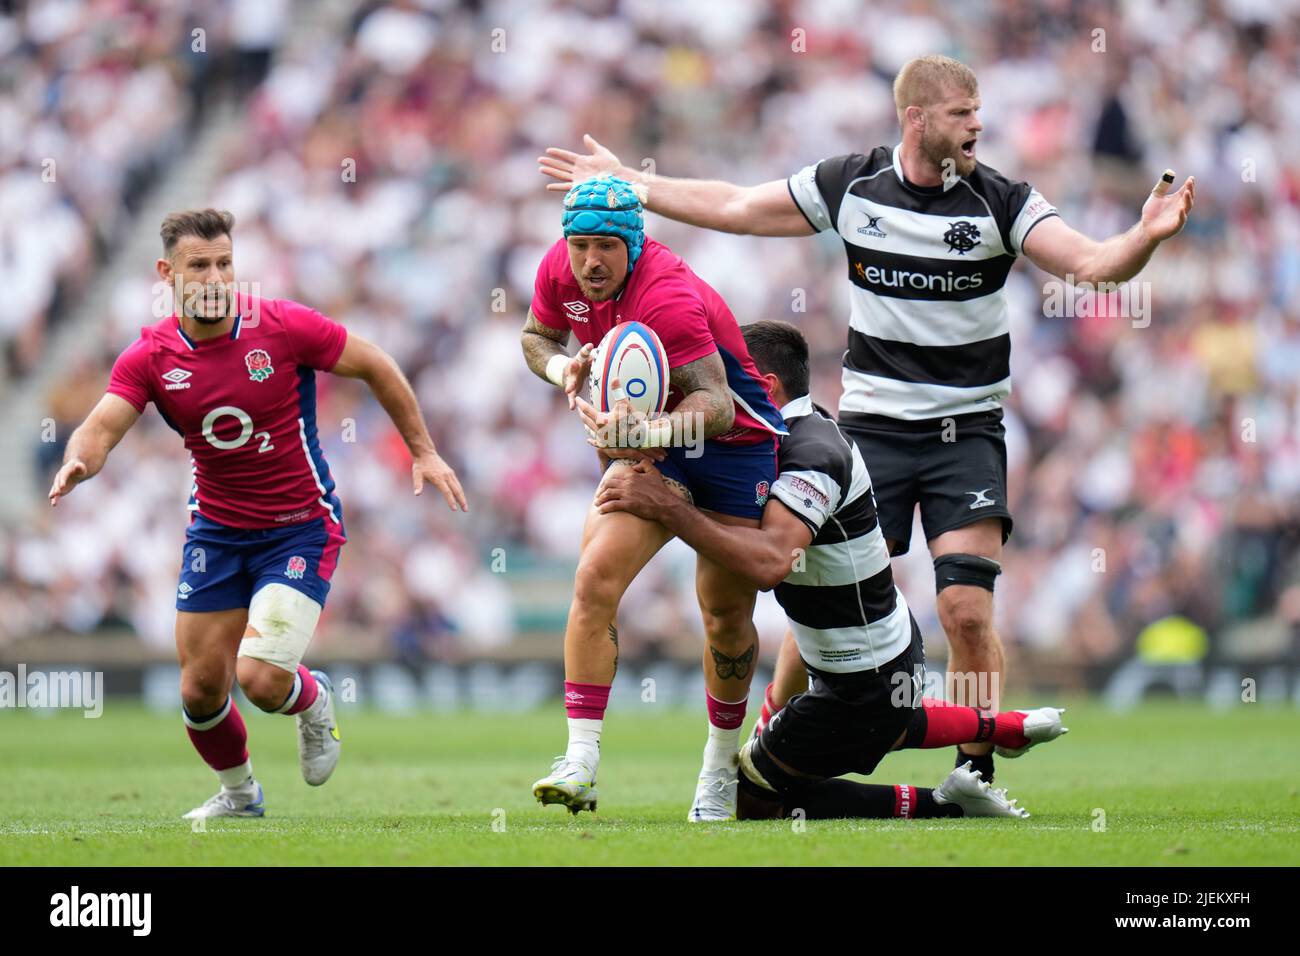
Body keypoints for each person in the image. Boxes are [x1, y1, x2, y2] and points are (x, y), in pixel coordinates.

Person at [540, 53, 1193, 783]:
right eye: (959, 113)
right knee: (812, 596)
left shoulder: (1004, 202)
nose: (977, 125)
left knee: (967, 611)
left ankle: (973, 776)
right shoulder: (851, 185)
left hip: (966, 431)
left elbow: (1092, 265)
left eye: (978, 112)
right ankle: (764, 746)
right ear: (915, 119)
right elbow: (736, 207)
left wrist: (1144, 238)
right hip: (872, 430)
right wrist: (636, 186)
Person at [48, 208, 467, 819]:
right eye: (200, 266)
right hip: (216, 532)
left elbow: (375, 362)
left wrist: (424, 451)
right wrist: (79, 462)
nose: (216, 277)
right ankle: (241, 796)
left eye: (224, 263)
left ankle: (313, 698)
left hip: (298, 525)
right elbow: (102, 424)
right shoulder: (150, 355)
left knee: (263, 680)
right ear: (168, 273)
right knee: (198, 689)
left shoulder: (281, 327)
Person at [597, 320, 1067, 820]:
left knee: (751, 798)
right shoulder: (783, 438)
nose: (711, 394)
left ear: (766, 385)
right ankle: (1002, 727)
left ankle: (948, 805)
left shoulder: (813, 454)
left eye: (723, 377)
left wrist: (667, 508)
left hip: (863, 680)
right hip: (870, 664)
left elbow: (769, 563)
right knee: (882, 722)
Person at [521, 176, 786, 819]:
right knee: (593, 578)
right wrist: (565, 369)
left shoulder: (666, 295)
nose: (590, 261)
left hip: (729, 449)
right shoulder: (561, 266)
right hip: (650, 446)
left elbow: (720, 408)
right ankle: (580, 759)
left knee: (722, 615)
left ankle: (720, 765)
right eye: (581, 245)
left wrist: (651, 429)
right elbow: (535, 337)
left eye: (606, 246)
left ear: (633, 244)